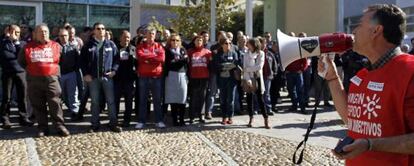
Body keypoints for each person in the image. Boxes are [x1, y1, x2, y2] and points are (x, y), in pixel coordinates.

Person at [318, 4, 414, 165]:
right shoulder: (363, 74)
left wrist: (370, 144)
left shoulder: (410, 72)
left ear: (376, 31)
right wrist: (333, 78)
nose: (353, 31)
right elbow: (351, 119)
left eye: (359, 25)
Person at [18, 23, 69, 137]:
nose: (43, 33)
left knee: (55, 104)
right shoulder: (27, 47)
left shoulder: (56, 46)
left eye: (45, 31)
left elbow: (62, 61)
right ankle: (42, 127)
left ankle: (60, 126)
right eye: (40, 32)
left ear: (49, 33)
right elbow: (21, 62)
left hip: (52, 80)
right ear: (35, 34)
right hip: (34, 81)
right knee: (38, 105)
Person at [81, 22, 121, 133]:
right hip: (93, 79)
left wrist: (114, 71)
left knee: (111, 101)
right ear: (94, 31)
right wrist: (85, 74)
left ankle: (113, 124)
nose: (101, 30)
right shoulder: (88, 45)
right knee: (95, 102)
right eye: (98, 29)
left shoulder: (111, 44)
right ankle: (95, 124)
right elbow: (82, 61)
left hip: (107, 78)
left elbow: (117, 59)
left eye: (103, 28)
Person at [0, 25, 33, 129]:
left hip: (21, 72)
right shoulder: (2, 43)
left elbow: (23, 56)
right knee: (7, 97)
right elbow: (5, 56)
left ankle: (23, 118)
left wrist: (16, 43)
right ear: (8, 32)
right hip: (7, 72)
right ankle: (5, 118)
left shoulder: (23, 43)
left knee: (22, 96)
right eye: (13, 32)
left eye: (18, 32)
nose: (16, 34)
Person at [135, 28, 166, 129]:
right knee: (143, 100)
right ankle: (141, 121)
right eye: (149, 33)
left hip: (156, 76)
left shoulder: (159, 46)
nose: (151, 35)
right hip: (143, 76)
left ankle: (159, 120)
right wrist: (153, 58)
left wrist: (148, 59)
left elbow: (161, 59)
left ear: (155, 35)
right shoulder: (140, 46)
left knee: (157, 100)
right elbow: (140, 57)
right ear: (145, 34)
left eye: (153, 33)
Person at [243, 38, 270, 129]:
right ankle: (251, 118)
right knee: (249, 99)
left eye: (249, 44)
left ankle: (266, 119)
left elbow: (259, 66)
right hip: (249, 78)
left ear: (254, 45)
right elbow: (244, 68)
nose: (247, 45)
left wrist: (248, 69)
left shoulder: (261, 53)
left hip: (257, 78)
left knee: (260, 99)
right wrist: (247, 79)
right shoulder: (246, 54)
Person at [56, 28, 81, 121]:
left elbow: (78, 60)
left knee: (73, 94)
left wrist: (75, 70)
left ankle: (74, 112)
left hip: (71, 73)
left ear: (69, 36)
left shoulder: (73, 47)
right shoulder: (55, 47)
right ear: (58, 37)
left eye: (65, 35)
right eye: (61, 36)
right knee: (58, 95)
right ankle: (58, 113)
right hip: (59, 75)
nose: (63, 38)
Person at [213, 37, 239, 125]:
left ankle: (230, 117)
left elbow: (235, 64)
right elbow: (217, 66)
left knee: (230, 99)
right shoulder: (218, 54)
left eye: (229, 43)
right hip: (222, 79)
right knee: (223, 99)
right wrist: (227, 66)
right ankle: (224, 117)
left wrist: (225, 66)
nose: (228, 45)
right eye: (226, 43)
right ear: (222, 45)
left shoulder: (234, 53)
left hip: (232, 79)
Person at [164, 34, 188, 126]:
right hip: (171, 75)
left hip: (182, 74)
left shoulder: (183, 50)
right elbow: (169, 64)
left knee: (182, 97)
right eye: (173, 40)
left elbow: (186, 61)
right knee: (173, 98)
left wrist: (176, 61)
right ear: (170, 41)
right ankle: (175, 120)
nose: (175, 42)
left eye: (177, 40)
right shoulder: (167, 51)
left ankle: (181, 119)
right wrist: (180, 61)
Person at [113, 30, 136, 127]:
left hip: (129, 79)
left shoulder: (132, 49)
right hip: (117, 79)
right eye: (125, 37)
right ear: (120, 38)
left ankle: (127, 120)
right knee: (116, 100)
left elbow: (135, 63)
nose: (127, 39)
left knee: (129, 101)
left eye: (128, 37)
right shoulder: (115, 48)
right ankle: (115, 120)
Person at [188, 35, 212, 123]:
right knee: (193, 97)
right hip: (193, 77)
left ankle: (201, 115)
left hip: (204, 77)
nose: (199, 42)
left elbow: (210, 65)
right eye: (197, 40)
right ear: (194, 42)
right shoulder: (190, 52)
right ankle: (192, 116)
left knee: (202, 97)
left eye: (201, 40)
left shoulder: (208, 52)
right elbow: (188, 64)